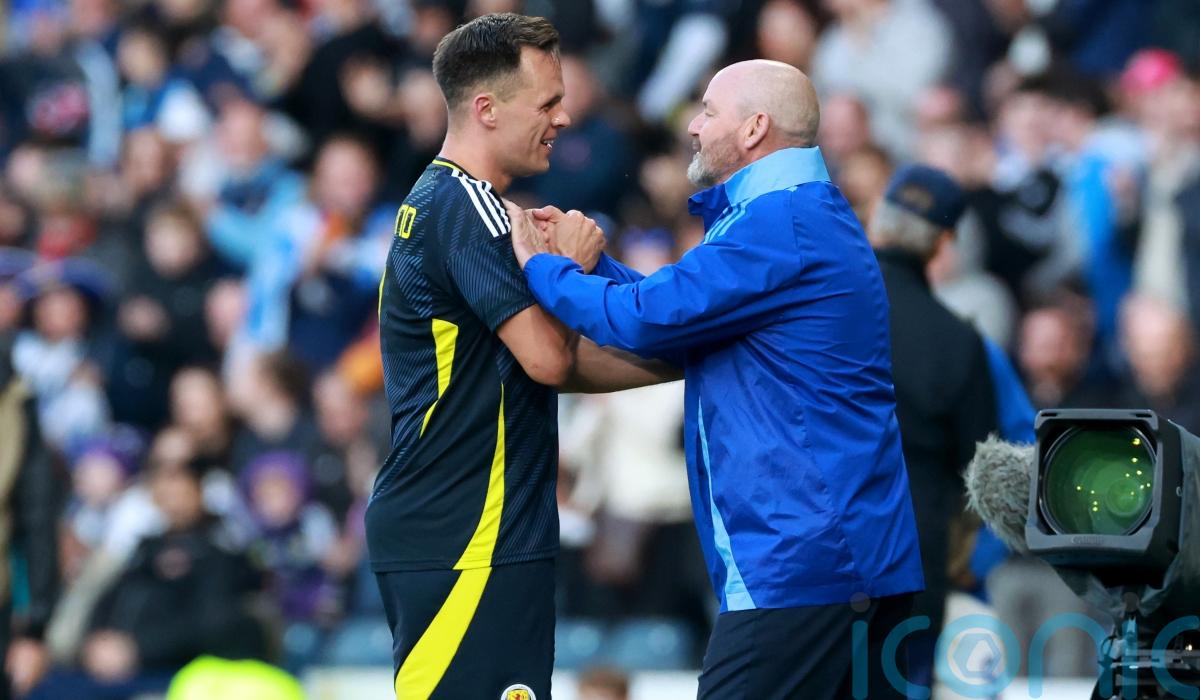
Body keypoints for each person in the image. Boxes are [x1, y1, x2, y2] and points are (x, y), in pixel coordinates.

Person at [509, 59, 924, 699]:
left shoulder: (778, 222)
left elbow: (645, 319)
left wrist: (543, 267)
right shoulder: (796, 216)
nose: (693, 127)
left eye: (707, 111)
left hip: (803, 564)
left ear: (755, 128)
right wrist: (591, 265)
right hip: (845, 560)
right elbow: (681, 306)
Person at [366, 13, 671, 699]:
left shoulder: (454, 204)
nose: (564, 118)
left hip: (471, 527)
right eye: (547, 102)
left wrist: (687, 361)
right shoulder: (468, 211)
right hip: (468, 530)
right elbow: (549, 361)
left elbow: (542, 365)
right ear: (487, 109)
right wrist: (571, 268)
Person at [866, 165, 999, 689]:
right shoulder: (957, 340)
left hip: (811, 559)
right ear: (944, 243)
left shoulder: (815, 313)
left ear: (876, 219)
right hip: (913, 563)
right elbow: (982, 471)